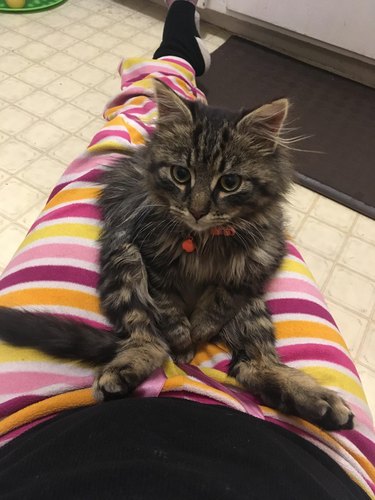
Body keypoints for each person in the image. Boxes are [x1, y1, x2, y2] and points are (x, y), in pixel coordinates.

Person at [0, 1, 374, 498]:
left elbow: (246, 286)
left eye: (227, 184)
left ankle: (261, 366)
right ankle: (178, 51)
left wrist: (209, 313)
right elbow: (158, 263)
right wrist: (170, 324)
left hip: (41, 436)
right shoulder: (165, 203)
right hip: (306, 463)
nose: (197, 207)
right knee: (131, 139)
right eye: (183, 177)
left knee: (126, 118)